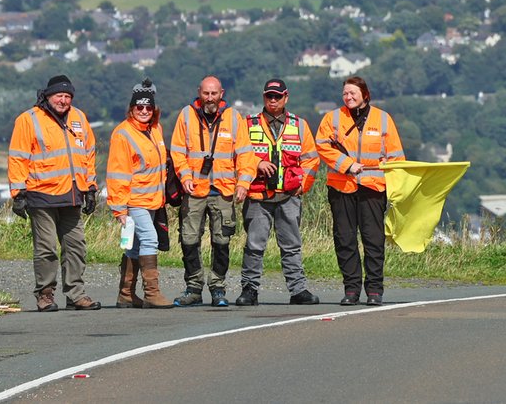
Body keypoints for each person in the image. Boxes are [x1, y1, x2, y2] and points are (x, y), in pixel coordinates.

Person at [7, 74, 101, 312]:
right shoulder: (28, 120)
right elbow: (18, 157)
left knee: (76, 246)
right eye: (59, 95)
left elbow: (88, 154)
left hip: (72, 194)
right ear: (48, 96)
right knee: (46, 248)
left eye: (68, 96)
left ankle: (76, 294)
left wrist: (90, 187)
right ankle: (45, 294)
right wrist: (18, 193)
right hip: (41, 194)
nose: (63, 100)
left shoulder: (79, 117)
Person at [316, 76, 405, 307]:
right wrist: (347, 164)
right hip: (341, 187)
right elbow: (322, 146)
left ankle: (375, 290)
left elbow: (397, 156)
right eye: (345, 93)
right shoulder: (332, 118)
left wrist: (389, 166)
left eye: (353, 93)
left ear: (365, 94)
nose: (348, 97)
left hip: (373, 188)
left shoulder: (383, 120)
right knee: (345, 240)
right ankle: (352, 289)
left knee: (373, 240)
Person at [169, 75, 255, 307]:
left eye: (214, 93)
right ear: (199, 92)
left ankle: (218, 287)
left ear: (221, 93)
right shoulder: (186, 116)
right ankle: (194, 287)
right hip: (194, 189)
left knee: (222, 241)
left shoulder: (234, 118)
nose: (209, 98)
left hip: (223, 191)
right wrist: (185, 176)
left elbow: (246, 155)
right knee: (188, 239)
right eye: (206, 93)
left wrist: (243, 184)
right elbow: (177, 152)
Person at [234, 78, 321, 306]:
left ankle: (298, 290)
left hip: (289, 196)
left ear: (286, 97)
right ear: (263, 97)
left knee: (291, 245)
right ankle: (249, 290)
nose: (273, 100)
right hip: (258, 196)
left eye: (277, 96)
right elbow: (237, 154)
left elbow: (311, 159)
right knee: (254, 246)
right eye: (269, 96)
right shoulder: (248, 124)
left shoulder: (299, 125)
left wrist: (303, 185)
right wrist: (257, 163)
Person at [106, 78, 173, 309]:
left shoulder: (155, 129)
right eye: (139, 107)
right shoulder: (122, 134)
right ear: (131, 108)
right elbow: (117, 173)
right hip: (134, 200)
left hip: (153, 199)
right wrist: (119, 208)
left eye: (148, 107)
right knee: (150, 239)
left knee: (134, 247)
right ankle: (152, 293)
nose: (144, 111)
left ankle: (125, 294)